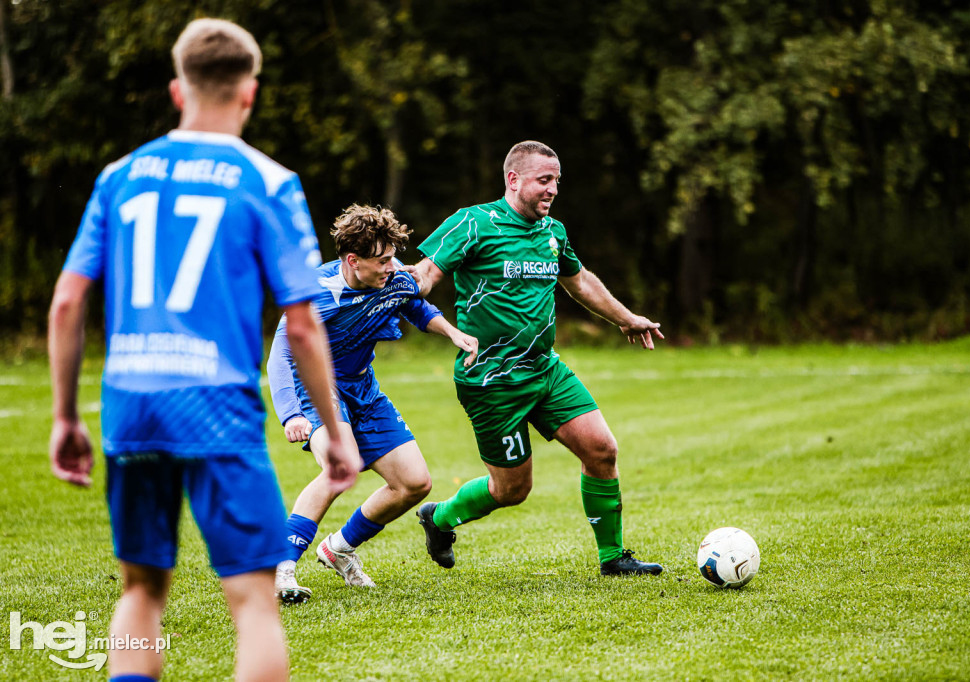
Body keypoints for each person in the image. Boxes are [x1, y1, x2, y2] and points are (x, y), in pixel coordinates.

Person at [47, 18, 360, 682]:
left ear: (175, 89)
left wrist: (65, 416)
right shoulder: (268, 181)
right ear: (249, 93)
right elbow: (302, 325)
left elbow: (68, 303)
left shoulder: (118, 177)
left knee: (140, 592)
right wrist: (335, 433)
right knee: (251, 603)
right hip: (215, 404)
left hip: (132, 401)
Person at [406, 140, 665, 577]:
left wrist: (627, 318)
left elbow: (579, 283)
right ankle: (440, 517)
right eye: (544, 180)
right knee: (512, 490)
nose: (553, 190)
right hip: (490, 380)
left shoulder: (553, 233)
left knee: (602, 450)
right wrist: (393, 285)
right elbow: (426, 275)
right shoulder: (472, 223)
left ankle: (613, 558)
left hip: (545, 369)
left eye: (556, 182)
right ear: (514, 179)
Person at [268, 204, 479, 602]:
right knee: (340, 466)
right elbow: (281, 354)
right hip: (318, 385)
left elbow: (414, 304)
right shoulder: (317, 293)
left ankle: (339, 549)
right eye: (382, 260)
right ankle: (282, 568)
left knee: (414, 483)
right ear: (352, 260)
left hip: (363, 386)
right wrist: (291, 414)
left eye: (392, 258)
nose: (392, 266)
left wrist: (452, 332)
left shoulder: (391, 275)